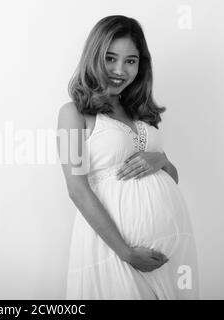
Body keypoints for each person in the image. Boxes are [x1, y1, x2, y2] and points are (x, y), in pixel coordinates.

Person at [57, 15, 199, 299]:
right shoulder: (72, 114)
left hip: (171, 254)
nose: (120, 70)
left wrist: (161, 161)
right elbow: (76, 189)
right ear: (94, 57)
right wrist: (126, 252)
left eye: (131, 61)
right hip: (115, 252)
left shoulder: (141, 113)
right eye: (110, 58)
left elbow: (171, 178)